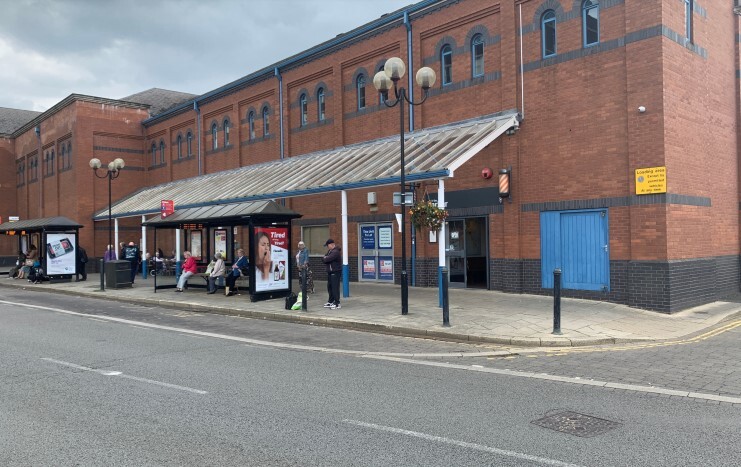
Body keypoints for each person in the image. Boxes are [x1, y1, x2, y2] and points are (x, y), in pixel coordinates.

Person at [322, 239, 342, 309]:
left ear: (331, 244)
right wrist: (325, 258)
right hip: (330, 272)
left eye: (327, 246)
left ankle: (337, 303)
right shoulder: (330, 251)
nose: (327, 247)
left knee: (335, 288)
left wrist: (325, 258)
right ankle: (331, 301)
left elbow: (327, 259)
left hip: (335, 272)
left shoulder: (335, 252)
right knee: (330, 287)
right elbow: (324, 258)